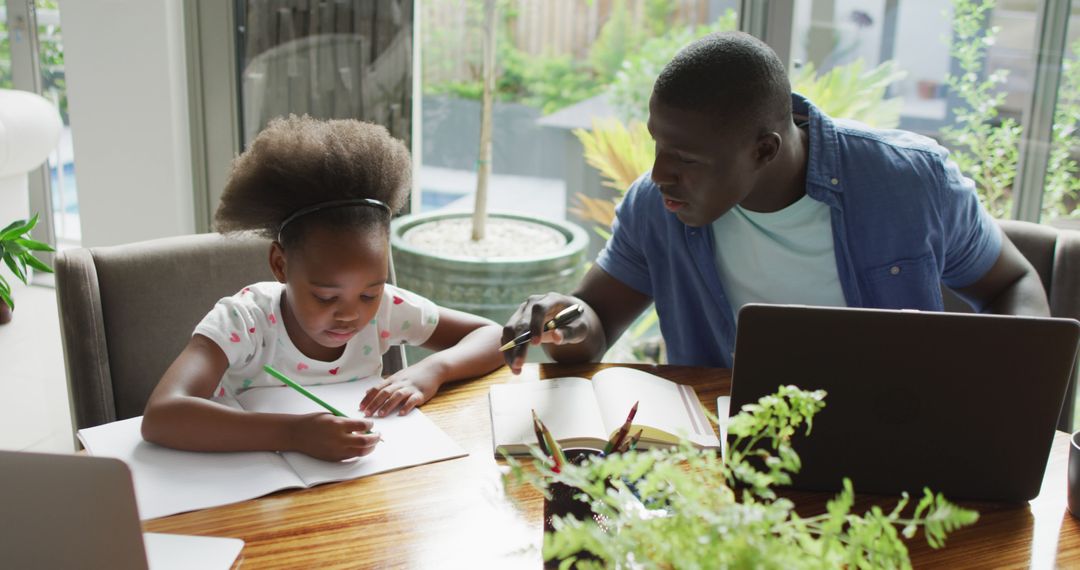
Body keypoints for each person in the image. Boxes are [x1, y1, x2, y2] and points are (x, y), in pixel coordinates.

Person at [502, 31, 1049, 373]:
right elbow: (592, 323)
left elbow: (1011, 284)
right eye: (657, 145)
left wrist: (1004, 398)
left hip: (893, 454)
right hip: (725, 467)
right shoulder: (656, 207)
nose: (659, 173)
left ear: (764, 149)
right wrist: (565, 322)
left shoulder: (908, 182)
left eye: (687, 159)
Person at [142, 116, 503, 461]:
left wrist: (433, 370)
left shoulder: (388, 309)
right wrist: (294, 434)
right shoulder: (244, 320)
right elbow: (162, 415)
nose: (350, 314)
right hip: (253, 495)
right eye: (326, 296)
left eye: (369, 293)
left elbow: (496, 337)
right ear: (280, 265)